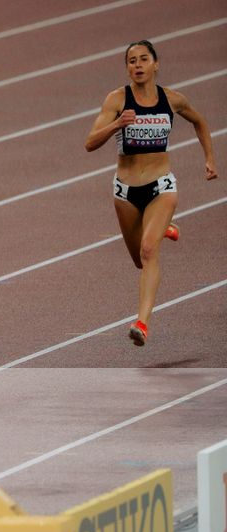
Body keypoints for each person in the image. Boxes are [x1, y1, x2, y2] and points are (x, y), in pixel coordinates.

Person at [83, 40, 216, 345]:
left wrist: (209, 158)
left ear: (156, 64)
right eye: (132, 61)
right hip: (125, 190)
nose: (138, 65)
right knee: (138, 261)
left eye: (144, 59)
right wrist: (117, 124)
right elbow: (89, 143)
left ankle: (142, 323)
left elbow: (200, 121)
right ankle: (163, 228)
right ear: (127, 68)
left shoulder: (172, 100)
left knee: (148, 250)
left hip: (161, 186)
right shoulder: (117, 99)